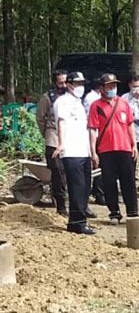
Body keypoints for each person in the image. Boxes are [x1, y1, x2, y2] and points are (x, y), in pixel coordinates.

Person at [88, 73, 139, 225]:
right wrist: (93, 152)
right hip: (106, 149)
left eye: (114, 86)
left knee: (128, 181)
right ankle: (114, 213)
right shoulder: (95, 106)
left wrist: (134, 144)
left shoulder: (123, 103)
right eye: (109, 86)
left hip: (124, 148)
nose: (112, 89)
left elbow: (130, 124)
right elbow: (92, 129)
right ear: (102, 88)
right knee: (109, 183)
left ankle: (132, 212)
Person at [52, 72, 95, 235]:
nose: (80, 87)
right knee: (77, 188)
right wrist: (61, 143)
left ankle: (77, 221)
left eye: (82, 83)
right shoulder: (62, 102)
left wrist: (91, 151)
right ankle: (78, 223)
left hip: (83, 151)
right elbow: (61, 122)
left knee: (85, 187)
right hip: (71, 151)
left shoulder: (79, 103)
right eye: (77, 84)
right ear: (69, 85)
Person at [36, 69, 68, 216]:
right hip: (53, 139)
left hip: (70, 140)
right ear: (55, 83)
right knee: (58, 174)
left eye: (65, 82)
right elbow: (40, 119)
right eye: (60, 82)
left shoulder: (72, 97)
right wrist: (48, 134)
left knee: (69, 174)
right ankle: (60, 205)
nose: (63, 85)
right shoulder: (47, 98)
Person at [83, 78, 106, 207]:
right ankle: (98, 193)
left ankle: (99, 191)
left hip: (98, 135)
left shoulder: (92, 97)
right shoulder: (92, 99)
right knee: (97, 165)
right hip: (94, 135)